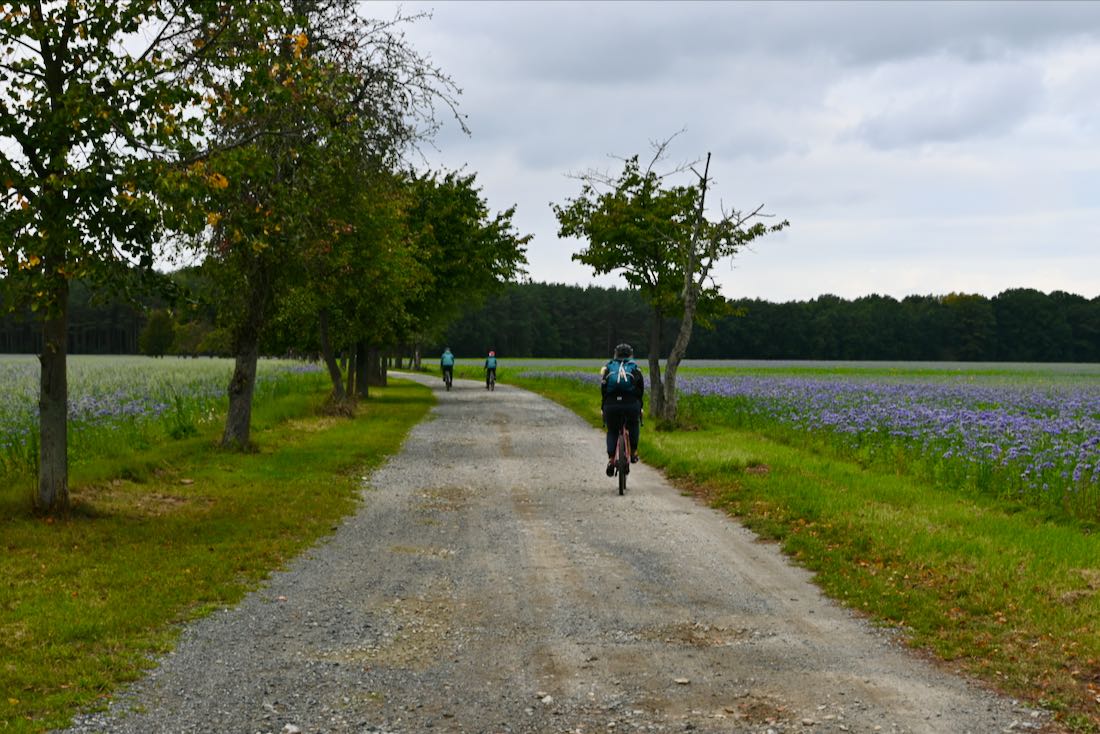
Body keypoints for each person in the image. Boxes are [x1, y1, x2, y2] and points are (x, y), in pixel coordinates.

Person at [600, 343, 644, 476]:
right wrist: (639, 407)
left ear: (615, 354)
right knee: (633, 423)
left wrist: (603, 407)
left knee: (612, 430)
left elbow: (603, 389)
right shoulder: (635, 368)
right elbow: (640, 390)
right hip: (631, 404)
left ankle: (611, 460)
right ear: (631, 355)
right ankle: (634, 452)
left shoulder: (608, 367)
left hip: (611, 404)